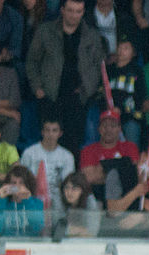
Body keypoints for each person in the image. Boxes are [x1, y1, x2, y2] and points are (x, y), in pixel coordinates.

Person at [25, 0, 106, 155]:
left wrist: (87, 90)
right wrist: (37, 89)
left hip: (77, 99)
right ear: (62, 10)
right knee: (48, 144)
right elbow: (32, 62)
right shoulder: (45, 31)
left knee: (73, 146)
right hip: (49, 96)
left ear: (83, 12)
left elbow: (98, 67)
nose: (74, 15)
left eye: (78, 11)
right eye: (70, 10)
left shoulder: (91, 35)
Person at [20, 119, 74, 212]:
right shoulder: (29, 153)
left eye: (54, 130)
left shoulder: (67, 156)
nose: (51, 134)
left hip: (58, 200)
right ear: (42, 132)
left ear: (60, 133)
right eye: (47, 130)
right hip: (33, 197)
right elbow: (22, 180)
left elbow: (68, 184)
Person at [0, 163, 43, 234]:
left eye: (21, 183)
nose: (17, 186)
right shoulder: (1, 203)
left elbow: (38, 228)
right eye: (13, 183)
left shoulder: (37, 203)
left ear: (28, 184)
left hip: (29, 244)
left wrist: (27, 201)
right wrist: (2, 200)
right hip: (7, 243)